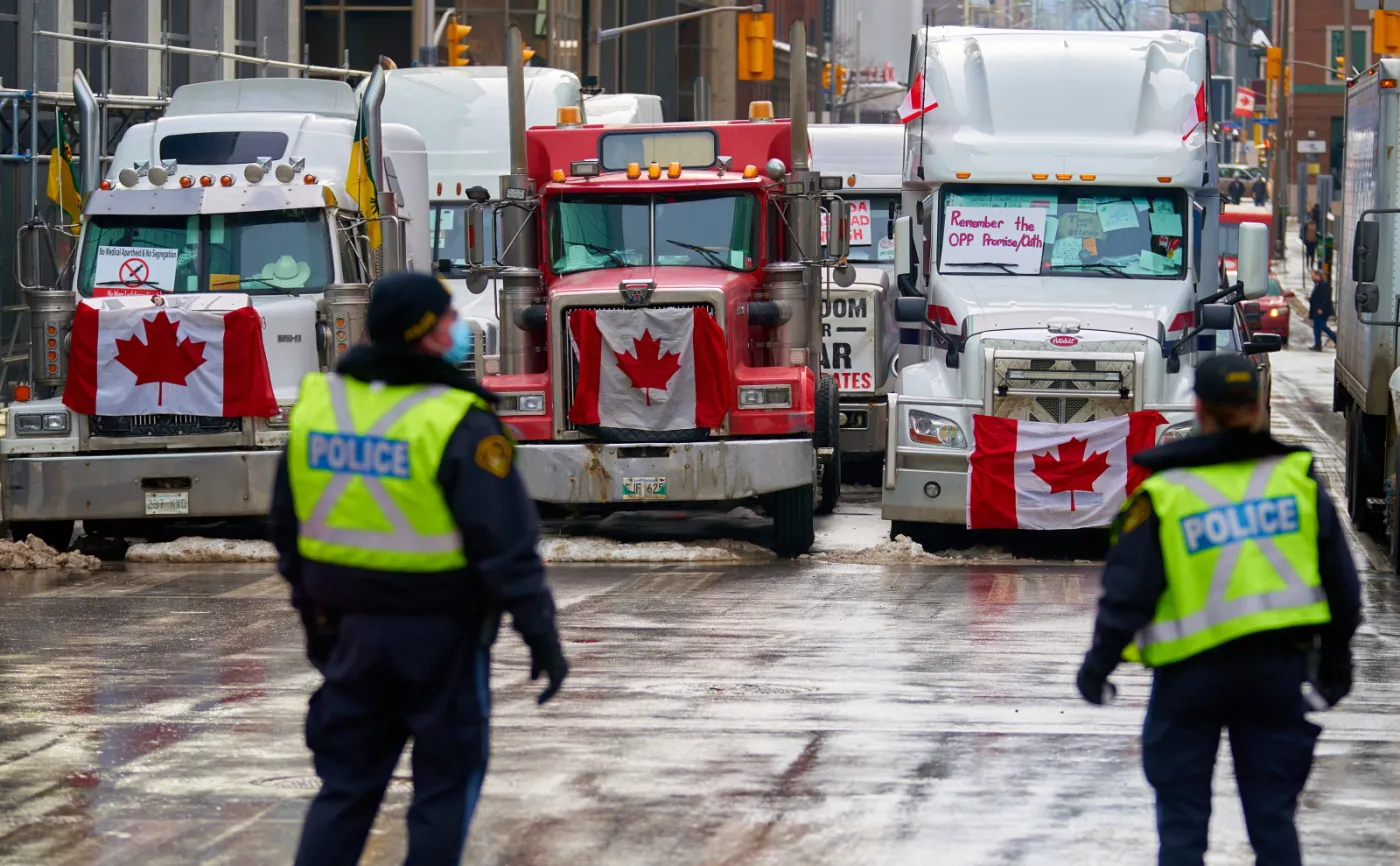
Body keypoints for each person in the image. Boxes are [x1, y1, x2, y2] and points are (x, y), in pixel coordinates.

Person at [270, 271, 569, 866]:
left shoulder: (320, 407)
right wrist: (540, 635)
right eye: (449, 318)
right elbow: (506, 545)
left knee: (345, 790)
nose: (458, 328)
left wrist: (316, 620)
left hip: (350, 635)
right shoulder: (458, 419)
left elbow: (287, 531)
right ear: (427, 333)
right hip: (441, 642)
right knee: (443, 791)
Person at [1076, 353, 1362, 866]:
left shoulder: (1167, 492)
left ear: (1199, 409)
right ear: (1257, 407)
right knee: (1273, 821)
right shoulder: (1296, 481)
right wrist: (1337, 664)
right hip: (1276, 674)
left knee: (1183, 828)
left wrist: (1099, 665)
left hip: (1189, 680)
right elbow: (1342, 586)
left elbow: (1128, 593)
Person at [1310, 268, 1336, 351]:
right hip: (1316, 310)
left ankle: (1335, 338)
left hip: (1321, 311)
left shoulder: (1324, 284)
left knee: (1322, 326)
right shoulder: (1317, 284)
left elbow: (1325, 298)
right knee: (1316, 328)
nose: (1312, 278)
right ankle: (1317, 345)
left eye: (1313, 276)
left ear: (1318, 276)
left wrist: (1321, 308)